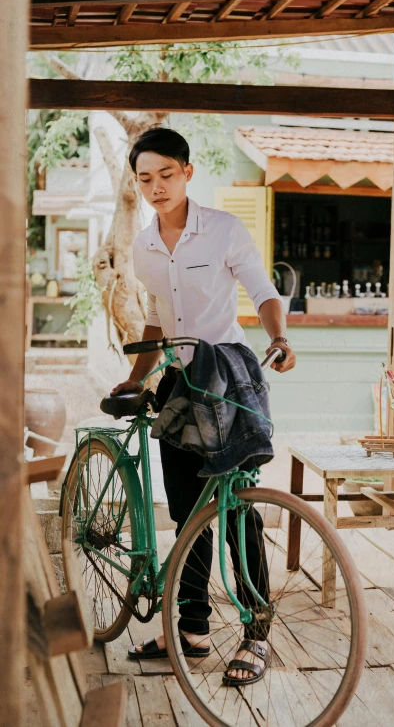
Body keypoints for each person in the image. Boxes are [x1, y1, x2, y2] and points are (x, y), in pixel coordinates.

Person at [110, 127, 296, 684]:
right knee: (190, 508)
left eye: (166, 174)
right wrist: (134, 376)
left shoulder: (223, 230)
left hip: (228, 378)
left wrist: (282, 339)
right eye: (145, 178)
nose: (156, 187)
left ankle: (257, 634)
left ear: (187, 172)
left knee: (236, 503)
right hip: (178, 383)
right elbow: (155, 317)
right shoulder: (143, 245)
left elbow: (263, 291)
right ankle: (190, 630)